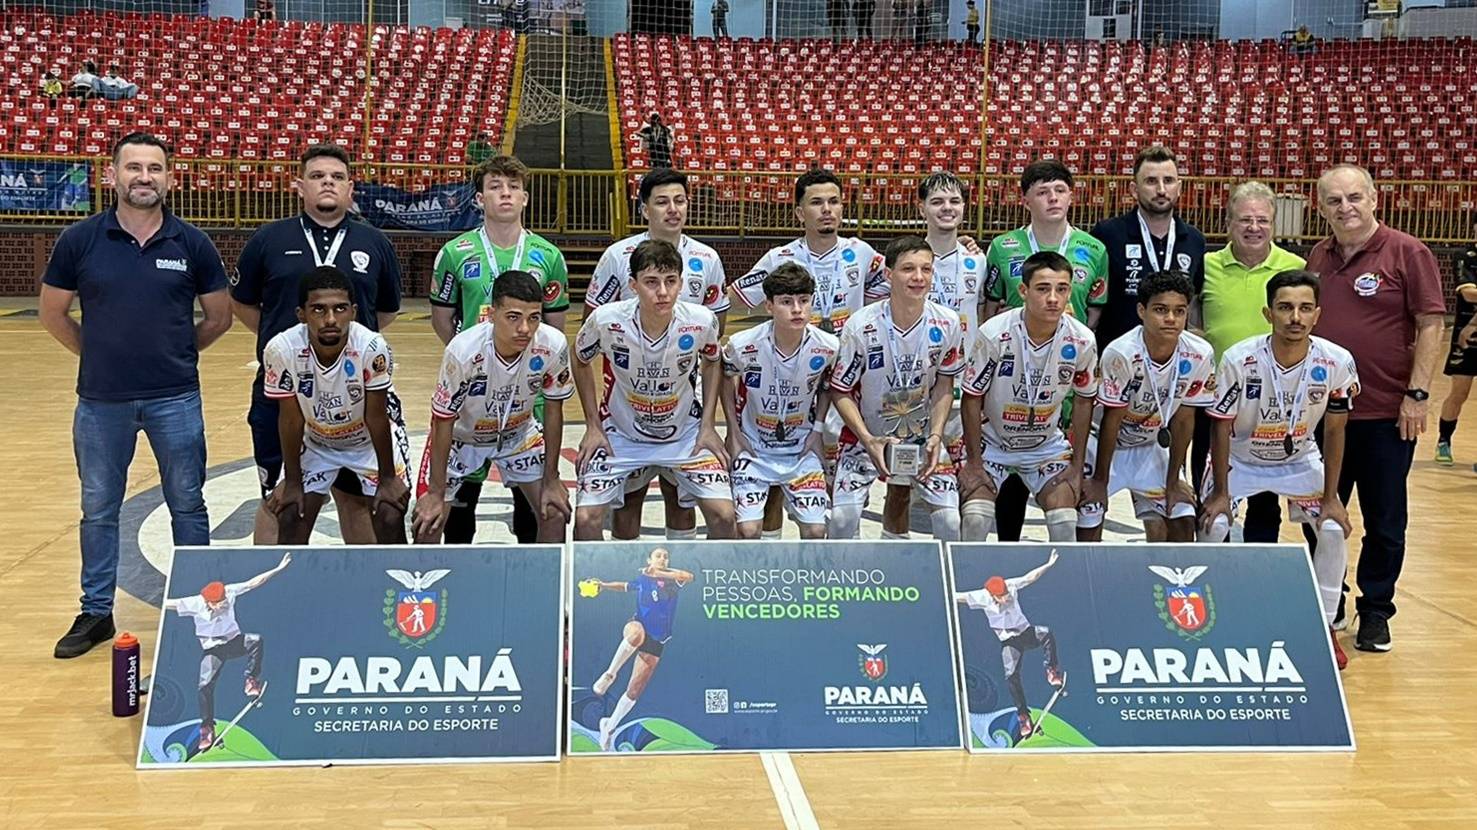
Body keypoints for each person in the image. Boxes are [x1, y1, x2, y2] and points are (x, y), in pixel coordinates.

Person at [41, 133, 231, 659]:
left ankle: (206, 606)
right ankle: (96, 611)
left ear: (170, 178)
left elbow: (218, 317)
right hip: (101, 401)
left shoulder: (192, 243)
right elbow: (53, 313)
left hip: (175, 398)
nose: (143, 177)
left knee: (188, 506)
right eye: (133, 167)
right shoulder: (80, 241)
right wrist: (96, 353)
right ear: (112, 176)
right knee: (98, 509)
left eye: (154, 168)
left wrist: (176, 353)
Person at [1303, 164, 1445, 652]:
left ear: (1374, 199)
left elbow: (1430, 324)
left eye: (1354, 197)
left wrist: (1418, 393)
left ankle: (1376, 611)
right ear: (1320, 208)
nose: (1346, 208)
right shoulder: (1318, 257)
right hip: (1324, 416)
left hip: (1387, 413)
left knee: (1385, 519)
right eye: (1335, 201)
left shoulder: (1408, 252)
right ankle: (1331, 599)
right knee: (1320, 513)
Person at [232, 143, 402, 546]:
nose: (328, 183)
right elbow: (241, 302)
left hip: (353, 393)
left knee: (356, 501)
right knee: (280, 501)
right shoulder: (268, 239)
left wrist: (342, 349)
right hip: (283, 391)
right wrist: (289, 347)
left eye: (337, 177)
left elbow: (385, 311)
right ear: (299, 186)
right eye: (317, 176)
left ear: (350, 188)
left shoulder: (374, 242)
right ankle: (275, 598)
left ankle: (359, 595)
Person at [1200, 270, 1358, 669]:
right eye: (1285, 308)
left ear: (1318, 314)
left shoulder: (1337, 360)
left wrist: (1331, 497)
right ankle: (1211, 619)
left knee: (1334, 529)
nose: (1295, 317)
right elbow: (1219, 426)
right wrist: (1220, 492)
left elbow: (1336, 430)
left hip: (1299, 458)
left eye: (1305, 308)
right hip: (1240, 458)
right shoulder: (1240, 358)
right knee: (1215, 525)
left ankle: (1324, 628)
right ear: (1268, 312)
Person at [732, 168, 886, 536]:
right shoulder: (780, 257)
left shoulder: (861, 253)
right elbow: (735, 300)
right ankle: (771, 555)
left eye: (833, 201)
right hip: (792, 386)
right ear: (800, 212)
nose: (827, 210)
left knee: (841, 480)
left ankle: (834, 552)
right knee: (773, 485)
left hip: (843, 382)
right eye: (816, 203)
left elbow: (899, 285)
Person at [427, 154, 569, 545]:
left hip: (528, 391)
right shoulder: (455, 252)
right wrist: (476, 363)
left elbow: (554, 324)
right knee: (460, 509)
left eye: (512, 187)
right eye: (495, 187)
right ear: (479, 198)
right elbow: (442, 318)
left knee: (533, 509)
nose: (504, 194)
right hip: (472, 394)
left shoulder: (548, 256)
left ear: (525, 198)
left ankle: (532, 588)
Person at [587, 168, 728, 542]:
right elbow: (592, 328)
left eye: (679, 201)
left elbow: (717, 328)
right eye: (662, 202)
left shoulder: (707, 258)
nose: (672, 210)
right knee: (629, 497)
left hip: (683, 387)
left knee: (679, 495)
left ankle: (677, 581)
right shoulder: (618, 256)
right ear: (644, 209)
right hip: (628, 392)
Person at [983, 158, 1107, 542]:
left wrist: (1068, 352)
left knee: (1063, 479)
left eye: (1060, 190)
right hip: (1013, 381)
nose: (1052, 198)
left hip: (1066, 377)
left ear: (1072, 195)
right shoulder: (1003, 248)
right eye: (1042, 191)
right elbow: (990, 304)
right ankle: (1007, 550)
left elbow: (1097, 308)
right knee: (1010, 483)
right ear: (1025, 200)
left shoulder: (1093, 248)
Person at [413, 271, 571, 545]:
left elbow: (554, 410)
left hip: (518, 435)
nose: (525, 328)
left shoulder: (552, 344)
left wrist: (552, 478)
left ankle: (545, 586)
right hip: (461, 440)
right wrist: (436, 493)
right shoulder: (462, 351)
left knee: (554, 512)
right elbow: (442, 420)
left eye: (534, 317)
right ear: (492, 313)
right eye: (513, 317)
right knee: (428, 523)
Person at [829, 236, 965, 541]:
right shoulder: (861, 324)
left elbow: (945, 382)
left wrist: (936, 435)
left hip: (921, 440)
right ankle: (844, 582)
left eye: (926, 269)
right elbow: (841, 390)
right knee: (841, 520)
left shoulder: (948, 323)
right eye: (908, 269)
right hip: (866, 439)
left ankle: (920, 577)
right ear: (889, 274)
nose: (918, 277)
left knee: (950, 523)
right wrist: (868, 438)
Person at [263, 267, 410, 545]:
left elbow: (377, 418)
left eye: (340, 309)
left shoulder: (371, 346)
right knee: (291, 514)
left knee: (390, 515)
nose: (330, 319)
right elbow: (291, 420)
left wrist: (388, 477)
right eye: (318, 310)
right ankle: (292, 586)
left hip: (367, 441)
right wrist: (293, 482)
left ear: (353, 312)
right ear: (301, 314)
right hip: (318, 441)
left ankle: (393, 587)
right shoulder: (281, 350)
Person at [959, 252, 1098, 543]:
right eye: (1043, 288)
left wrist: (1076, 466)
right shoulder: (994, 333)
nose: (1053, 298)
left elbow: (1085, 400)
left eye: (1061, 289)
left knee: (1064, 522)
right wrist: (973, 462)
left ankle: (1060, 587)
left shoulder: (1082, 339)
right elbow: (972, 397)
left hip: (1044, 446)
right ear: (1023, 291)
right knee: (975, 518)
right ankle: (968, 585)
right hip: (993, 442)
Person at [1196, 181, 1305, 533]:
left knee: (1265, 501)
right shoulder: (1207, 265)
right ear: (1229, 223)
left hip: (1274, 400)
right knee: (1208, 488)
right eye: (1244, 219)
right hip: (1215, 400)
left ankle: (1259, 571)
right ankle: (1213, 569)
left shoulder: (1296, 266)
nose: (1253, 227)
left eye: (1262, 220)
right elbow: (1194, 319)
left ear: (1274, 224)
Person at [1080, 271, 1215, 543]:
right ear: (1142, 311)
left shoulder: (1200, 353)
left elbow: (1184, 420)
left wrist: (1173, 479)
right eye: (1161, 310)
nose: (1171, 319)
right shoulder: (1121, 353)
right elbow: (1111, 420)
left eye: (1179, 311)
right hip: (1103, 445)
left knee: (1182, 521)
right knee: (1088, 520)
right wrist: (1100, 481)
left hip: (1152, 444)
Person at [721, 263, 839, 539]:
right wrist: (733, 431)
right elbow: (726, 377)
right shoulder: (743, 344)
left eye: (804, 301)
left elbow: (827, 385)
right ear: (769, 306)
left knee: (816, 529)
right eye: (786, 302)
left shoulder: (828, 346)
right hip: (754, 446)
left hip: (800, 447)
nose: (797, 309)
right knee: (748, 530)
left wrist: (818, 429)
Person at [163, 552, 291, 752]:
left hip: (234, 643)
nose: (224, 604)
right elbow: (168, 603)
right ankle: (206, 727)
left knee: (255, 641)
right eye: (219, 602)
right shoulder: (194, 604)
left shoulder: (229, 592)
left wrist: (278, 568)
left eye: (224, 600)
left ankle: (251, 680)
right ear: (209, 602)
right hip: (213, 651)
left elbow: (254, 582)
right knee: (204, 685)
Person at [1090, 146, 1206, 352]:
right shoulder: (1107, 234)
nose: (1161, 190)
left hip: (1174, 362)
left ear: (1179, 188)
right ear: (1134, 190)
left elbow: (1194, 301)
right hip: (1117, 358)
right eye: (1151, 181)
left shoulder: (1194, 240)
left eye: (1168, 181)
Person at [579, 547, 693, 751]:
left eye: (666, 556)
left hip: (658, 640)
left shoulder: (673, 581)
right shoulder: (643, 579)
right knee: (635, 633)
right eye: (658, 555)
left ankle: (609, 725)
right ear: (650, 558)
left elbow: (689, 576)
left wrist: (656, 572)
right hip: (638, 625)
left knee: (634, 690)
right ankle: (610, 674)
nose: (663, 559)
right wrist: (603, 585)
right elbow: (624, 586)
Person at [955, 550, 1063, 741]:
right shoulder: (981, 597)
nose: (1006, 597)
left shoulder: (1011, 586)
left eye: (1005, 593)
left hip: (1026, 634)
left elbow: (1031, 577)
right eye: (1001, 596)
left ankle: (1052, 670)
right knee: (1011, 675)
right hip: (1009, 643)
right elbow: (958, 597)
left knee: (1046, 633)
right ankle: (1023, 717)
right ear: (992, 596)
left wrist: (1049, 564)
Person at [1435, 234, 1477, 466]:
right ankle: (1444, 440)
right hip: (1468, 336)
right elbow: (1469, 294)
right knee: (1459, 392)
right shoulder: (1465, 256)